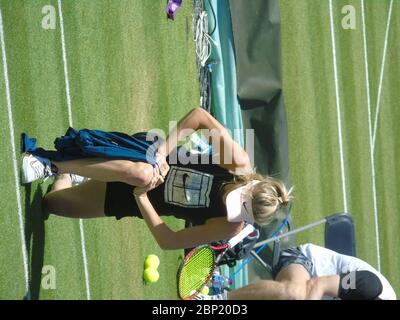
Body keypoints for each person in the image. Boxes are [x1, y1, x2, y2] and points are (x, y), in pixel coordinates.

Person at [21, 107, 292, 250]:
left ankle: (73, 171)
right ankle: (50, 163)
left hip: (137, 199)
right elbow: (199, 117)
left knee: (52, 204)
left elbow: (169, 241)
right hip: (146, 156)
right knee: (142, 173)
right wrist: (162, 153)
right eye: (239, 199)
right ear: (249, 184)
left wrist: (141, 198)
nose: (232, 205)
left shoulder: (230, 226)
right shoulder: (238, 162)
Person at [197, 243, 396, 300]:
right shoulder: (370, 286)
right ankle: (219, 300)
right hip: (305, 263)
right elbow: (317, 285)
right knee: (296, 293)